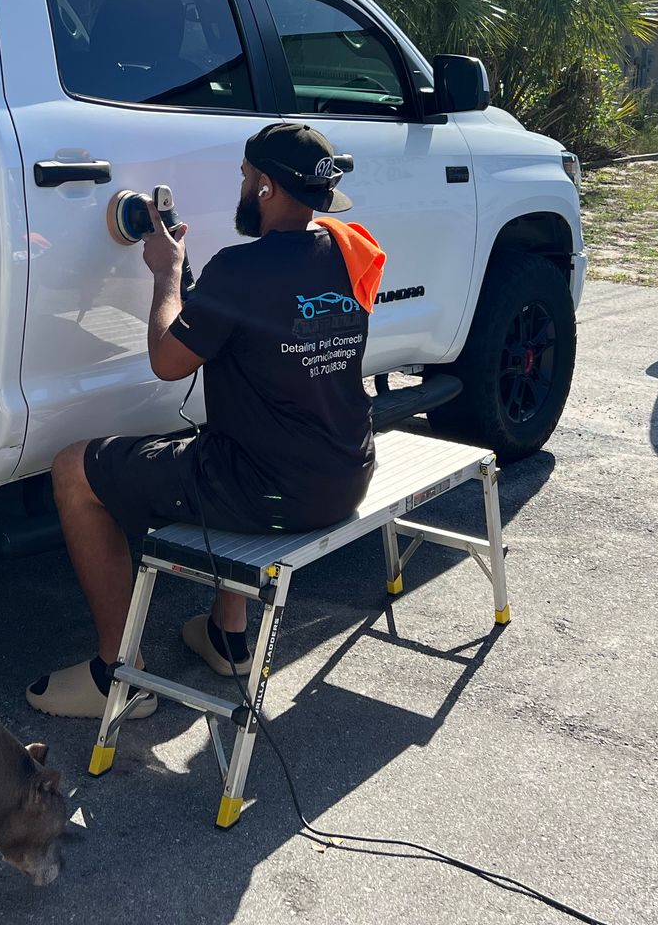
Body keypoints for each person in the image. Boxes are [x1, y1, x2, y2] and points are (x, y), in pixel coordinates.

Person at [26, 122, 387, 718]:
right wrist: (197, 287)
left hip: (270, 491)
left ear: (267, 188)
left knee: (74, 469)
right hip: (346, 472)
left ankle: (118, 675)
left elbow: (169, 363)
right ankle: (227, 637)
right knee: (229, 437)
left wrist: (168, 272)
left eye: (246, 178)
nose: (241, 187)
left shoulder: (241, 270)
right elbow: (255, 333)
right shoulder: (347, 251)